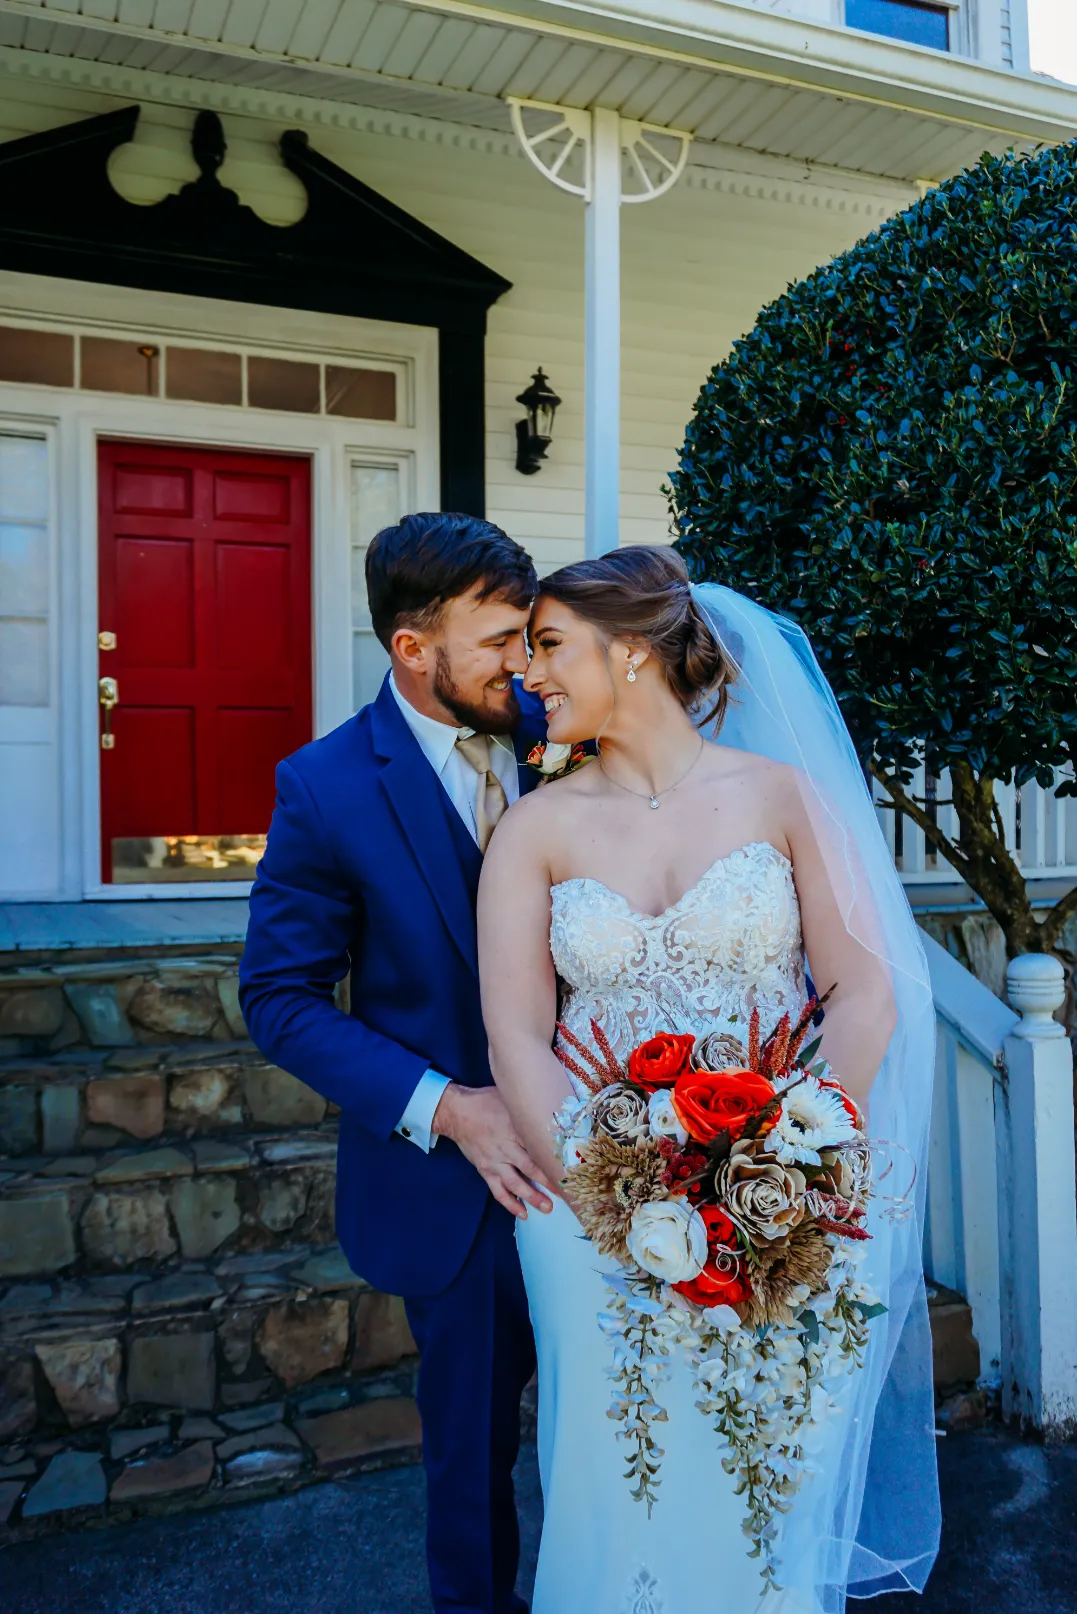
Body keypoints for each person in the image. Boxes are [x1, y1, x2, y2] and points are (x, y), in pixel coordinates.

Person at [477, 546, 940, 1614]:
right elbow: (516, 1037)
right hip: (587, 1214)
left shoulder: (782, 797)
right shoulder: (534, 829)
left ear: (630, 651)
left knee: (759, 1492)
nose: (530, 676)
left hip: (780, 1211)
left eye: (550, 646)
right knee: (616, 1486)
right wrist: (620, 1198)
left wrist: (782, 1160)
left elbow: (863, 993)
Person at [239, 512, 555, 1614]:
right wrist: (448, 1109)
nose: (525, 665)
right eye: (501, 639)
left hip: (623, 1166)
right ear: (412, 648)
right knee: (471, 1467)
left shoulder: (563, 733)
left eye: (532, 637)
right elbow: (278, 1000)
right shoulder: (325, 787)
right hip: (459, 1189)